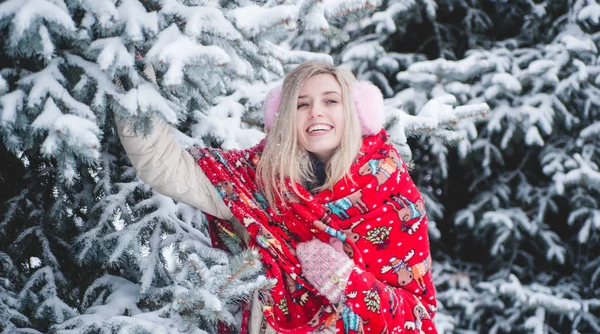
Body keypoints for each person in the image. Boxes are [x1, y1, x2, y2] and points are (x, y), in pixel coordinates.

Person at [116, 60, 438, 334]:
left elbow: (418, 319)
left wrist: (347, 284)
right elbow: (163, 164)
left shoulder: (392, 193)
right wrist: (131, 75)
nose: (315, 112)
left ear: (355, 111)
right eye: (301, 104)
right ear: (284, 117)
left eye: (330, 101)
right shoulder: (254, 181)